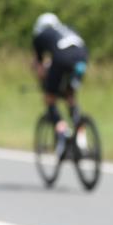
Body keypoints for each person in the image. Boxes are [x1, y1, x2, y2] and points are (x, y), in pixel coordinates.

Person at [32, 12, 88, 152]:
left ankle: (62, 131)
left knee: (50, 97)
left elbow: (40, 66)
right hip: (82, 57)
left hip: (61, 58)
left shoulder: (40, 35)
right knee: (70, 93)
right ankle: (81, 134)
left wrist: (45, 85)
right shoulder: (68, 28)